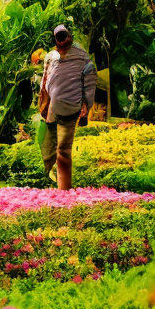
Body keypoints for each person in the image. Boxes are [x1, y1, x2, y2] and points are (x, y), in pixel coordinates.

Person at [39, 24, 95, 190]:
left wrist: (86, 106)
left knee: (63, 149)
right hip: (52, 107)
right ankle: (52, 173)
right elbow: (45, 80)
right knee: (48, 147)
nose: (62, 41)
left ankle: (64, 189)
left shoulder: (81, 58)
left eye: (64, 36)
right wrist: (43, 103)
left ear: (70, 37)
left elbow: (88, 83)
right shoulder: (51, 57)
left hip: (70, 106)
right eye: (59, 37)